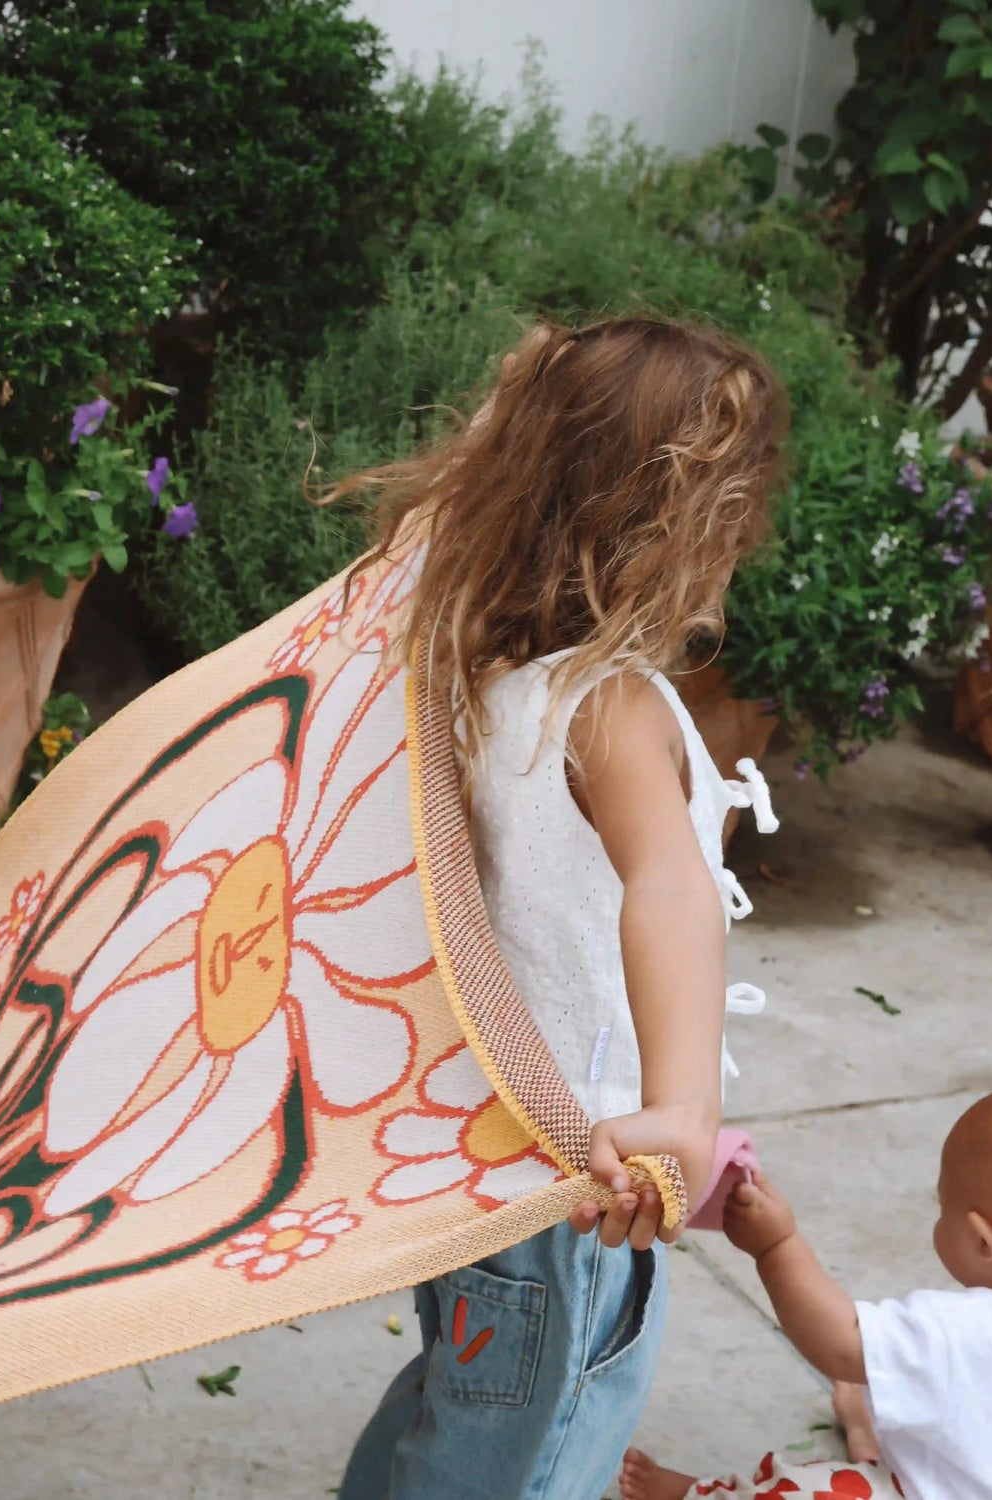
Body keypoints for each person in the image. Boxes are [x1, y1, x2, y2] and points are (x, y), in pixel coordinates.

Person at [333, 315, 790, 1500]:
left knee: (467, 1398)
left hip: (485, 1143)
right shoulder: (610, 705)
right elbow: (669, 887)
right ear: (683, 531)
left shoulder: (469, 664)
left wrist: (520, 395)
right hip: (586, 1178)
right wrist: (685, 1104)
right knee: (535, 1447)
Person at [622, 1080, 992, 1500]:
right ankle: (871, 1436)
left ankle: (712, 1495)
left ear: (983, 1241)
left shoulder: (971, 1333)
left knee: (809, 1490)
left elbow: (840, 1344)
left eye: (943, 1208)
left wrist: (775, 1246)